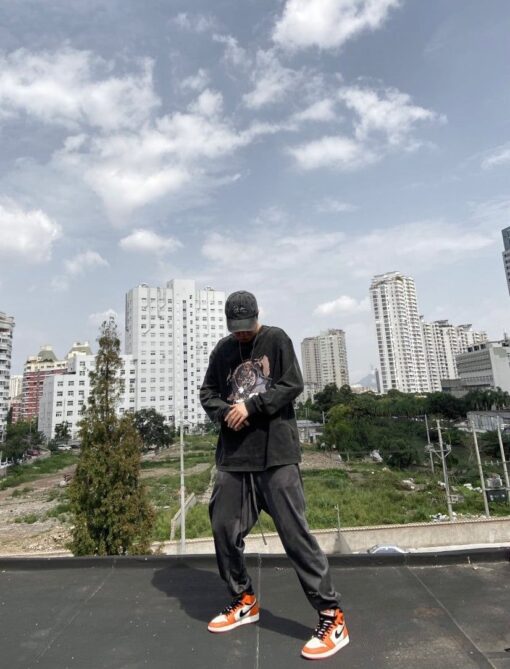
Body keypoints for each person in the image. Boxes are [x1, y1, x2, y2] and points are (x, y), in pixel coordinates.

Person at [200, 290, 349, 660]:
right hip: (235, 458)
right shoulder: (222, 350)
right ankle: (243, 599)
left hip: (276, 455)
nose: (242, 336)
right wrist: (225, 412)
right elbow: (208, 393)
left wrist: (251, 406)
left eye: (246, 328)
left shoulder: (276, 339)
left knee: (295, 536)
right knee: (223, 527)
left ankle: (332, 616)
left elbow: (291, 384)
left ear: (257, 317)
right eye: (236, 330)